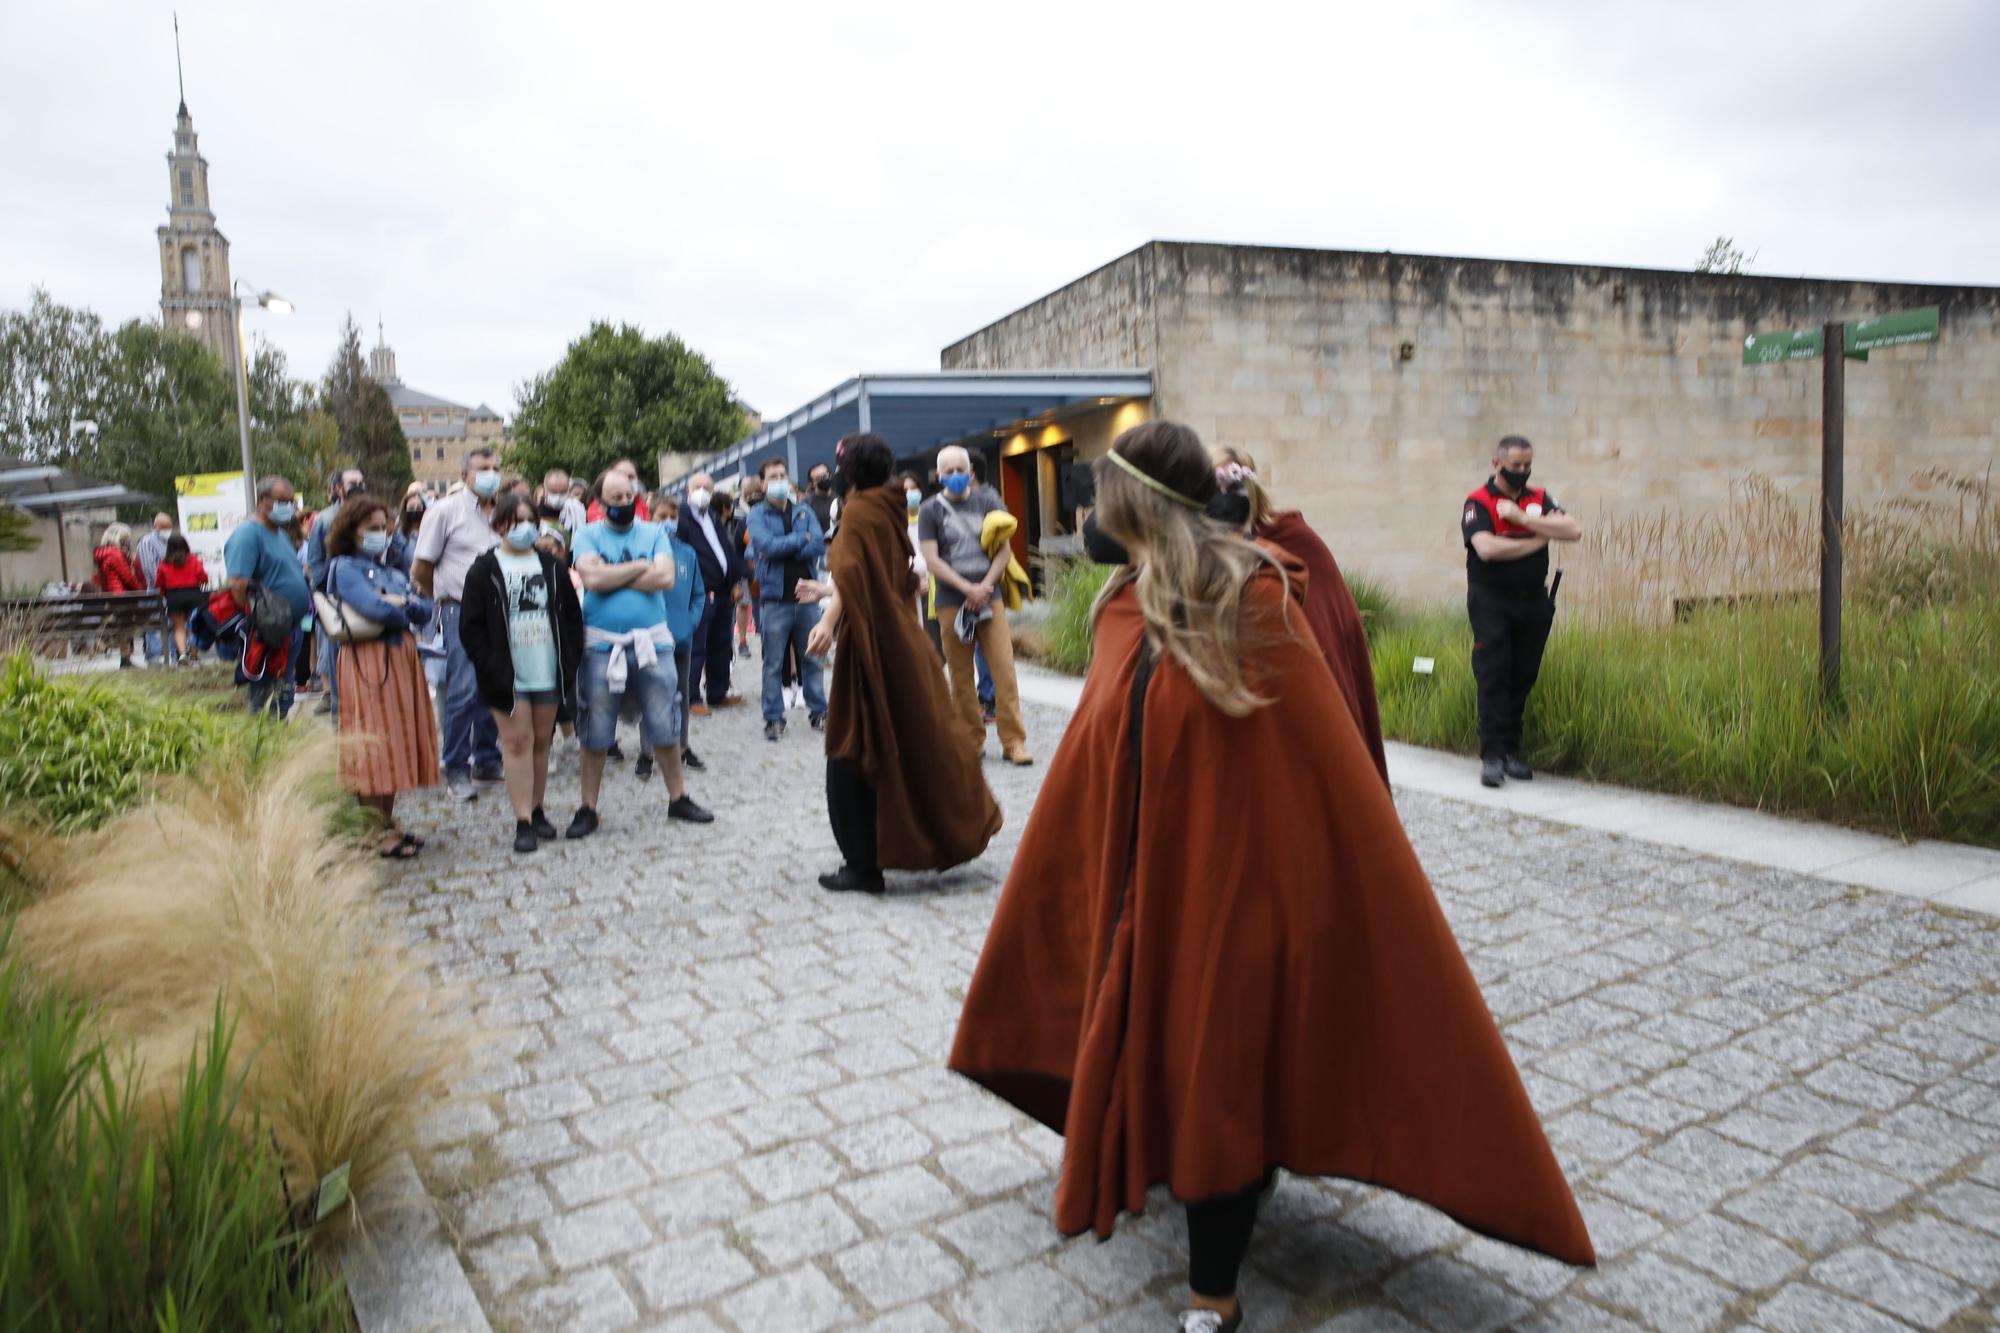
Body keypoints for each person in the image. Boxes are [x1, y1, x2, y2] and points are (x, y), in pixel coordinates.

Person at [949, 422, 1594, 1332]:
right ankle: (1178, 1155)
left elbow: (1310, 761)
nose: (1092, 516)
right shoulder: (1124, 607)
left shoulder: (1253, 603)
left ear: (1138, 506)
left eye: (1105, 498)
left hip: (1240, 888)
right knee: (1170, 1043)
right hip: (1150, 887)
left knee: (1225, 1054)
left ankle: (1214, 1289)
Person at [803, 434, 1000, 894]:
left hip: (874, 643)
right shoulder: (891, 506)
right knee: (916, 741)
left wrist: (829, 620)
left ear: (846, 472)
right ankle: (919, 837)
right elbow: (895, 575)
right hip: (903, 640)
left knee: (851, 749)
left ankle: (862, 865)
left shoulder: (858, 513)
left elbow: (852, 575)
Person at [1208, 445, 1390, 789]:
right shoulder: (1202, 550)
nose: (1225, 498)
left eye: (1233, 487)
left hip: (1300, 686)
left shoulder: (1292, 539)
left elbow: (1335, 620)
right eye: (1216, 487)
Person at [566, 469, 713, 837]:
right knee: (596, 729)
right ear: (600, 503)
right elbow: (592, 579)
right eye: (614, 497)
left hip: (654, 644)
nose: (623, 502)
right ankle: (588, 808)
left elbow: (664, 579)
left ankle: (677, 798)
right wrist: (637, 568)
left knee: (665, 724)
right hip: (601, 646)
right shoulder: (586, 534)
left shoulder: (653, 532)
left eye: (628, 495)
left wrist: (611, 570)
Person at [459, 495, 585, 854]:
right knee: (517, 744)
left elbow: (572, 620)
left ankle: (537, 807)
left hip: (546, 668)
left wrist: (570, 661)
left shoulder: (551, 566)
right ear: (499, 525)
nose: (524, 527)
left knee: (542, 743)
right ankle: (522, 820)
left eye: (530, 520)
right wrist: (492, 668)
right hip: (507, 676)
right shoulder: (484, 570)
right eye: (515, 521)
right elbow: (471, 628)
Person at [1461, 435, 1581, 787]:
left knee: (1522, 675)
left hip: (1532, 600)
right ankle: (1493, 755)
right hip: (1491, 599)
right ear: (1497, 464)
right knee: (1494, 673)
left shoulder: (1538, 499)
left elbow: (1572, 530)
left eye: (1527, 465)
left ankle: (1513, 751)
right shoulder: (1478, 502)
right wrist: (1539, 540)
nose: (1523, 472)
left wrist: (1522, 519)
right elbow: (1487, 549)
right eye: (1516, 466)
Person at [325, 496, 441, 859]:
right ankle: (373, 831)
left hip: (399, 658)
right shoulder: (344, 567)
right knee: (374, 741)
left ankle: (385, 823)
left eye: (384, 527)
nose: (381, 534)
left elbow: (425, 609)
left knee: (397, 739)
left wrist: (397, 602)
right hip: (369, 661)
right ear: (352, 531)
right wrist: (398, 603)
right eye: (372, 528)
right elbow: (373, 607)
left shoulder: (387, 569)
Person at [918, 446, 1031, 766]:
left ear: (971, 472)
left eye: (960, 469)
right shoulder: (930, 511)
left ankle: (1013, 741)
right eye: (948, 471)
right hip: (951, 603)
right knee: (961, 674)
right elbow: (931, 559)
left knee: (1004, 670)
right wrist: (967, 587)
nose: (955, 476)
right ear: (938, 475)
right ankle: (971, 739)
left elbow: (1004, 552)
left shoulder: (988, 502)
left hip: (989, 598)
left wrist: (984, 587)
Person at [413, 448, 505, 801]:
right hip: (459, 609)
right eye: (484, 469)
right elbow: (422, 566)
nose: (491, 474)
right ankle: (454, 766)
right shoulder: (445, 512)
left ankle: (486, 759)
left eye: (496, 468)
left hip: (499, 612)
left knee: (491, 688)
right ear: (465, 473)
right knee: (464, 688)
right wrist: (442, 597)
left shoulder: (503, 513)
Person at [745, 460, 827, 742]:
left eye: (782, 475)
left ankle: (819, 711)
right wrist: (798, 539)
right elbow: (765, 546)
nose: (779, 480)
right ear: (763, 483)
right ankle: (773, 717)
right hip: (774, 599)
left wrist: (786, 545)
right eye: (773, 477)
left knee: (813, 657)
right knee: (773, 662)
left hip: (807, 597)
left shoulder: (804, 510)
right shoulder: (756, 514)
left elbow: (817, 544)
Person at [224, 476, 313, 715]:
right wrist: (262, 624)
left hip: (289, 629)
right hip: (270, 631)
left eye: (291, 501)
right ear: (262, 500)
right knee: (266, 698)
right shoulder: (247, 534)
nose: (289, 507)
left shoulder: (279, 534)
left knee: (283, 694)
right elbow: (238, 584)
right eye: (282, 501)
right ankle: (264, 743)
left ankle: (280, 740)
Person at [676, 470, 748, 718]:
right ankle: (691, 696)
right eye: (698, 487)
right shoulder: (681, 518)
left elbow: (727, 550)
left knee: (720, 644)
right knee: (697, 646)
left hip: (723, 591)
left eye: (708, 488)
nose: (703, 492)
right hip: (699, 592)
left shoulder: (713, 517)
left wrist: (736, 580)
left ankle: (718, 692)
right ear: (688, 491)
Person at [652, 493, 707, 775]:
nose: (668, 523)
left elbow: (698, 593)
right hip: (651, 639)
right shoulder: (644, 552)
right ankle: (647, 751)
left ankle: (682, 746)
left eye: (672, 517)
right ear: (650, 519)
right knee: (650, 694)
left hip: (681, 637)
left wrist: (690, 621)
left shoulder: (686, 553)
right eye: (661, 517)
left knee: (681, 695)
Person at [306, 467, 367, 714]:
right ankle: (340, 721)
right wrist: (323, 596)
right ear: (338, 488)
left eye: (361, 482)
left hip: (367, 600)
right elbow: (315, 562)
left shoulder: (371, 515)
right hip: (335, 603)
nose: (359, 486)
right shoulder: (324, 520)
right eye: (353, 482)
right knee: (337, 661)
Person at [90, 523, 141, 668]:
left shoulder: (102, 554)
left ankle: (125, 657)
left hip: (111, 595)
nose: (127, 542)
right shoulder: (114, 554)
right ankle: (126, 657)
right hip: (122, 595)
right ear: (119, 538)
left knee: (121, 627)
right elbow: (127, 577)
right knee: (127, 626)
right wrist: (140, 591)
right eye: (125, 539)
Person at [154, 534, 209, 665]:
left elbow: (158, 584)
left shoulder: (163, 563)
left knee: (178, 627)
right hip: (193, 595)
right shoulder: (193, 560)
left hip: (174, 597)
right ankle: (194, 655)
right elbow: (203, 577)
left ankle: (183, 654)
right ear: (186, 546)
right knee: (194, 626)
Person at [135, 513, 174, 665]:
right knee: (153, 623)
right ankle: (155, 655)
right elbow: (149, 568)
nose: (166, 530)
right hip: (156, 589)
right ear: (155, 526)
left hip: (171, 588)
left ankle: (171, 652)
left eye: (168, 527)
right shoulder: (146, 542)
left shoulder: (170, 540)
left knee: (170, 622)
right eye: (164, 527)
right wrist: (162, 583)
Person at [585, 459, 651, 523]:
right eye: (621, 475)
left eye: (631, 477)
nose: (626, 480)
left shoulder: (643, 506)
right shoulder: (598, 507)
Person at [539, 468, 588, 544]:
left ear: (568, 489)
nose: (558, 497)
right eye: (554, 492)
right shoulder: (535, 513)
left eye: (562, 492)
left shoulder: (577, 509)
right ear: (545, 489)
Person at [804, 461, 837, 538]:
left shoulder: (840, 499)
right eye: (818, 478)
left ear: (830, 475)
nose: (823, 480)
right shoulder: (806, 504)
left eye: (825, 476)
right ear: (812, 483)